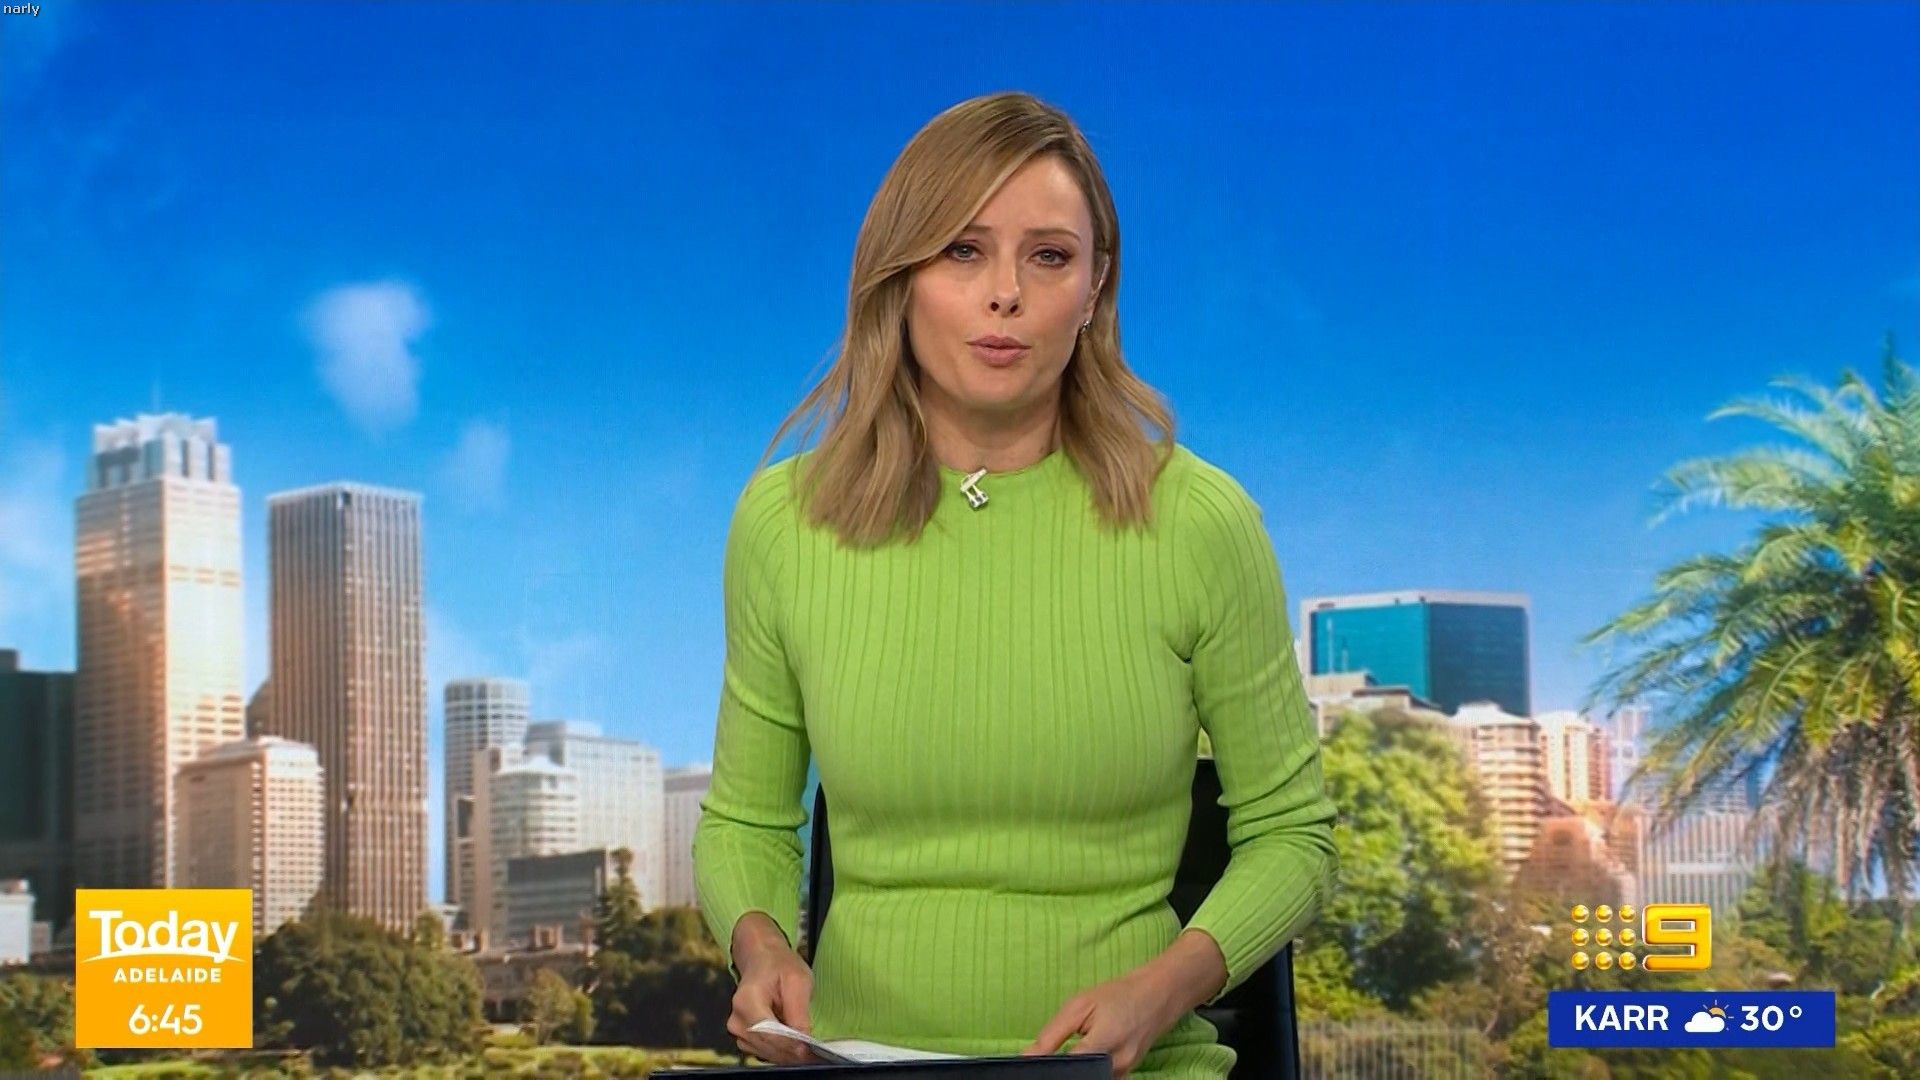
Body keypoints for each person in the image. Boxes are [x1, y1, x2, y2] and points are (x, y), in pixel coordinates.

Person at [692, 90, 1336, 1079]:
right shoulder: (784, 522)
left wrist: (1163, 988)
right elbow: (745, 819)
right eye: (963, 250)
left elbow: (1294, 837)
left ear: (1095, 286)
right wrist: (761, 944)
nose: (1006, 294)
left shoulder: (1203, 524)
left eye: (1049, 256)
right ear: (899, 276)